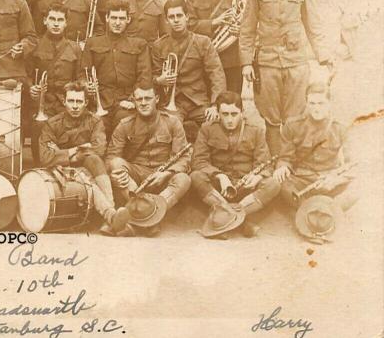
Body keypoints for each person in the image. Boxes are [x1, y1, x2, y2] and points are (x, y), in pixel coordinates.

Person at [239, 0, 332, 155]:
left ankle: (292, 161)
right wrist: (246, 63)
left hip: (296, 63)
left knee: (295, 115)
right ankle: (275, 161)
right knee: (271, 118)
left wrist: (324, 57)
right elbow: (247, 31)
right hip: (268, 64)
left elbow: (314, 26)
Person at [274, 82, 358, 240]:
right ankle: (324, 212)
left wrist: (334, 180)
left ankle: (313, 211)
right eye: (311, 103)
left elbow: (352, 164)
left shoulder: (340, 128)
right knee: (279, 184)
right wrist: (282, 167)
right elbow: (285, 157)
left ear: (329, 104)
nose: (316, 108)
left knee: (358, 189)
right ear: (306, 103)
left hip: (329, 181)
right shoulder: (293, 126)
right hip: (302, 182)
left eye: (321, 103)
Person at [106, 84, 192, 236]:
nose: (143, 102)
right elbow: (112, 157)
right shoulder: (125, 124)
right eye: (139, 99)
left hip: (162, 176)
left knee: (183, 179)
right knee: (116, 164)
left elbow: (184, 158)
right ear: (134, 101)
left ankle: (137, 220)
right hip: (136, 177)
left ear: (157, 99)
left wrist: (166, 173)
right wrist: (113, 173)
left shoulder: (172, 122)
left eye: (148, 98)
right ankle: (149, 221)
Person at [191, 91, 279, 238]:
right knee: (195, 177)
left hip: (245, 188)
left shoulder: (255, 130)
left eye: (234, 114)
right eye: (224, 114)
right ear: (218, 113)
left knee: (273, 184)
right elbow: (198, 161)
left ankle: (226, 217)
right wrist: (219, 176)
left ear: (242, 112)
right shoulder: (207, 128)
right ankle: (241, 222)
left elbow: (265, 164)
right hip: (219, 189)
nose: (230, 119)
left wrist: (257, 177)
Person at [152, 0, 226, 143]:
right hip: (173, 103)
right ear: (166, 20)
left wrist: (215, 105)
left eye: (179, 15)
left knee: (217, 127)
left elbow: (216, 74)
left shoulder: (202, 42)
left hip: (198, 102)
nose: (176, 20)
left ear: (186, 17)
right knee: (166, 131)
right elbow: (152, 76)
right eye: (171, 17)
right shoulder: (159, 45)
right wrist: (159, 80)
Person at [38, 81, 113, 214]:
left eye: (79, 101)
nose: (75, 106)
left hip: (88, 166)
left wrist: (60, 152)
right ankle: (111, 213)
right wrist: (74, 152)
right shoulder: (52, 124)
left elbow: (99, 149)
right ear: (64, 102)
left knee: (94, 161)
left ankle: (110, 209)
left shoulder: (95, 121)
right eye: (71, 101)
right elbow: (45, 158)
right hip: (62, 171)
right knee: (85, 177)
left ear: (86, 103)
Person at [81, 0, 152, 137]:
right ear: (107, 18)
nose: (117, 22)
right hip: (99, 100)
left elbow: (144, 77)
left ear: (128, 19)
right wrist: (86, 86)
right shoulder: (92, 42)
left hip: (127, 100)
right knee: (98, 126)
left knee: (124, 123)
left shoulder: (139, 44)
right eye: (114, 18)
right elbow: (83, 74)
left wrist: (133, 100)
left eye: (121, 18)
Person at [26, 5, 82, 163]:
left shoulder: (75, 48)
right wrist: (32, 87)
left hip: (66, 101)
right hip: (42, 102)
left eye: (60, 20)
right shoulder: (34, 45)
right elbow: (26, 74)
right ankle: (39, 164)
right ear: (45, 21)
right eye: (52, 19)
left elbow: (79, 78)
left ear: (66, 23)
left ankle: (65, 162)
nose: (56, 24)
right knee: (38, 126)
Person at [185, 0, 243, 94]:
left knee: (232, 101)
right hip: (204, 59)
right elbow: (190, 25)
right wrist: (215, 22)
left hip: (231, 59)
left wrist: (239, 30)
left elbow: (245, 22)